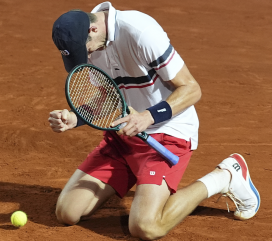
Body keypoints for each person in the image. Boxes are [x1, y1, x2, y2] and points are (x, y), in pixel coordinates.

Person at [48, 2, 260, 240]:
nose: (86, 56)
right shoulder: (94, 45)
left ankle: (225, 176)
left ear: (93, 30)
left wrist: (147, 117)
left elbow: (191, 89)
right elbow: (108, 96)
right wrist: (74, 118)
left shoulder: (140, 31)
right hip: (125, 136)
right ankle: (134, 173)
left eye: (83, 49)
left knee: (145, 227)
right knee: (67, 212)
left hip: (168, 134)